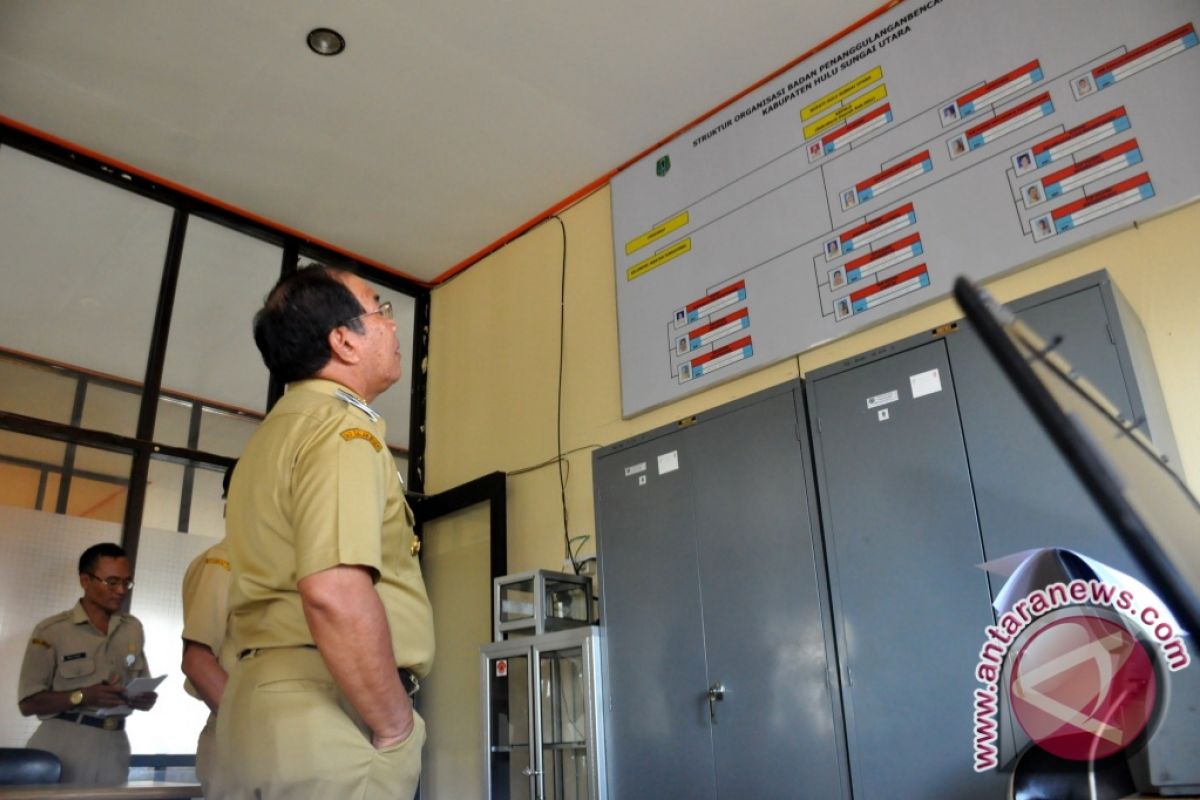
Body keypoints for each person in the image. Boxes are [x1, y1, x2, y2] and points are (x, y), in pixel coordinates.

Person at [214, 265, 434, 799]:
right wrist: (394, 724)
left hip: (258, 712)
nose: (394, 325)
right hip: (328, 713)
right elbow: (333, 591)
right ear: (343, 341)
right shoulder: (340, 427)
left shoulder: (273, 437)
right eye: (380, 309)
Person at [17, 542, 157, 785]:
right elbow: (28, 703)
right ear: (85, 581)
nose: (122, 590)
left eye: (127, 582)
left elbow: (140, 682)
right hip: (65, 742)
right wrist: (83, 696)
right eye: (112, 582)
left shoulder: (132, 628)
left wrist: (144, 698)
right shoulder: (53, 631)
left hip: (115, 744)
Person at [180, 462, 238, 795]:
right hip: (240, 739)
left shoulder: (270, 564)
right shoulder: (224, 559)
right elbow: (198, 662)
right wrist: (252, 729)